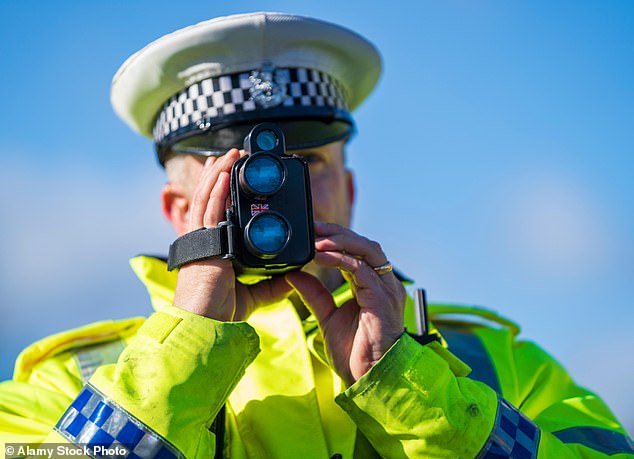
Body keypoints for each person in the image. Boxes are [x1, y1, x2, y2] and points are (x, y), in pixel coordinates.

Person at [1, 11, 632, 459]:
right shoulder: (58, 384)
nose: (277, 198)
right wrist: (183, 348)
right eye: (242, 176)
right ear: (177, 210)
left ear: (349, 192)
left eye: (308, 170)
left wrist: (411, 388)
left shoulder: (494, 366)